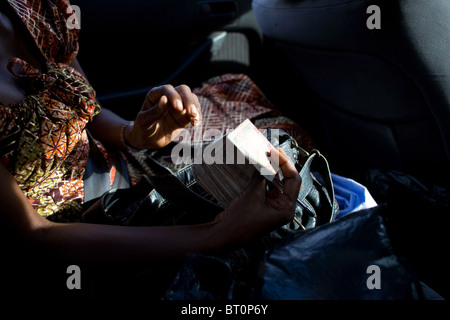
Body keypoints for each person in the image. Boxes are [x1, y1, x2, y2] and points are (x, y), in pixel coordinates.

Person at [0, 0, 302, 298]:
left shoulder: (35, 6)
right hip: (83, 247)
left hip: (123, 173)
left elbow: (86, 111)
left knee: (271, 134)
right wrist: (217, 232)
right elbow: (37, 236)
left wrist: (134, 133)